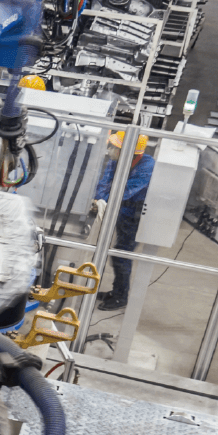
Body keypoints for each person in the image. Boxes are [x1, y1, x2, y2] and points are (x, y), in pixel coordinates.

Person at [90, 129, 153, 311]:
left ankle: (120, 297)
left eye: (114, 147)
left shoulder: (147, 167)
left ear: (127, 153)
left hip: (136, 217)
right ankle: (117, 291)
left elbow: (123, 192)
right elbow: (104, 184)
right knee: (116, 254)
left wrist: (103, 201)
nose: (109, 150)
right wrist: (99, 200)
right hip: (122, 211)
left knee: (122, 256)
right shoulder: (116, 160)